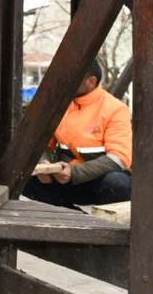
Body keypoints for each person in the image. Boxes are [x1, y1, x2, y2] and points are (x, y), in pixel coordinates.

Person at [23, 60, 132, 208]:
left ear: (91, 81)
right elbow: (43, 144)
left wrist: (74, 172)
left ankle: (102, 224)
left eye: (73, 78)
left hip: (96, 181)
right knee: (21, 175)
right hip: (63, 178)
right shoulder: (60, 105)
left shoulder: (116, 109)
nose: (66, 82)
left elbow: (119, 158)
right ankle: (65, 215)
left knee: (118, 184)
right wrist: (44, 165)